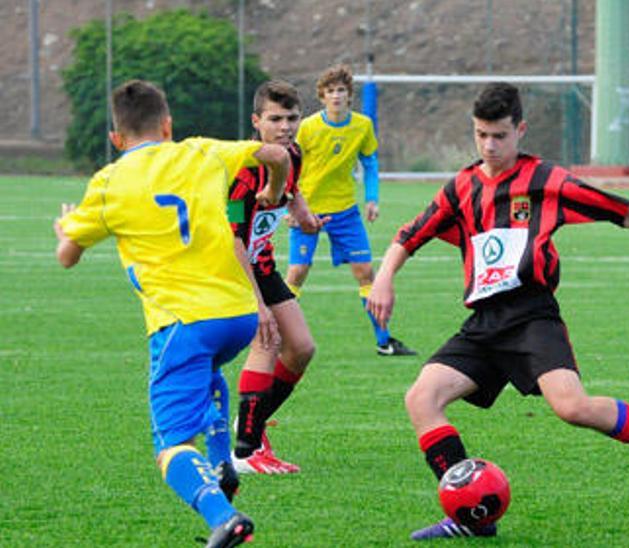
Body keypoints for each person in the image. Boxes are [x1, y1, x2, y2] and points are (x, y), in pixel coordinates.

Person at [365, 83, 629, 540]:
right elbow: (409, 234)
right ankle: (470, 514)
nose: (489, 146)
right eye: (481, 136)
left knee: (573, 407)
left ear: (520, 130)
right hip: (483, 325)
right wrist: (384, 276)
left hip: (531, 316)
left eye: (499, 136)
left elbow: (624, 212)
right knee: (421, 398)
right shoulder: (462, 186)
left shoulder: (545, 180)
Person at [54, 80, 290, 547]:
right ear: (168, 126)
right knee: (210, 372)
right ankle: (223, 461)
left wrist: (65, 226)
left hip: (182, 324)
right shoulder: (200, 151)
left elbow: (67, 255)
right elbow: (278, 156)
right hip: (239, 315)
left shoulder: (108, 182)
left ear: (116, 139)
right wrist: (273, 193)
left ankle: (223, 516)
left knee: (170, 447)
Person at [229, 80, 329, 475]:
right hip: (235, 267)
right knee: (266, 341)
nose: (285, 127)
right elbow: (234, 238)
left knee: (301, 347)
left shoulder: (293, 155)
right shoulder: (243, 171)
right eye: (275, 119)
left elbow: (292, 187)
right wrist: (257, 303)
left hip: (265, 263)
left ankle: (247, 425)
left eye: (292, 118)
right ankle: (245, 451)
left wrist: (303, 213)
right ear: (256, 121)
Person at [288, 63, 416, 356]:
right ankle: (278, 337)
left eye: (341, 90)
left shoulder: (362, 125)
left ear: (349, 95)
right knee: (297, 272)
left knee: (365, 272)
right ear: (322, 97)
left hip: (345, 211)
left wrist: (372, 198)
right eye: (330, 91)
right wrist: (290, 205)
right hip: (309, 212)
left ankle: (384, 341)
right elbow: (290, 165)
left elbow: (369, 164)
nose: (336, 96)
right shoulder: (307, 127)